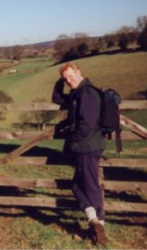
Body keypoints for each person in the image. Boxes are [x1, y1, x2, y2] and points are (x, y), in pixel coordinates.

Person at [51, 62, 108, 246]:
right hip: (85, 146)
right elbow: (58, 99)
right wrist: (58, 83)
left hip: (88, 146)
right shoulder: (77, 93)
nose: (69, 81)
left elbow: (87, 124)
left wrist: (73, 140)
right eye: (65, 79)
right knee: (77, 185)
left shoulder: (88, 93)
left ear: (79, 72)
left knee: (90, 185)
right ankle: (94, 222)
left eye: (70, 76)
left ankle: (99, 227)